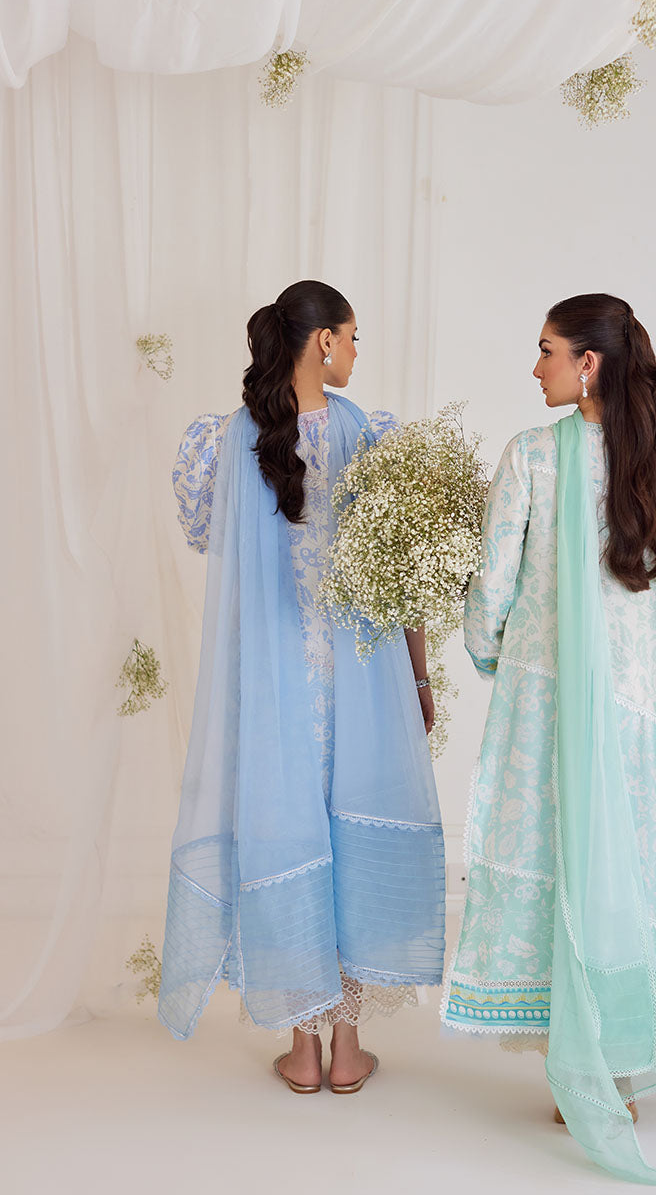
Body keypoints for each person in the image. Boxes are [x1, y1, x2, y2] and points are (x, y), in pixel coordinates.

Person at [442, 293, 656, 1184]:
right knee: (632, 872)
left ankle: (579, 1062)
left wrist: (489, 652)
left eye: (547, 350)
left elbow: (492, 588)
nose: (535, 367)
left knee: (563, 864)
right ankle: (619, 1067)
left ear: (588, 364)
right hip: (646, 714)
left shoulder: (532, 456)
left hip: (552, 706)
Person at [159, 279, 445, 1095]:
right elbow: (405, 578)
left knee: (288, 833)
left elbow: (206, 535)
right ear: (323, 341)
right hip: (361, 688)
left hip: (276, 692)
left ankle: (303, 1047)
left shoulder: (223, 441)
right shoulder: (372, 439)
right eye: (352, 336)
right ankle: (348, 1046)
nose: (355, 352)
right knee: (347, 831)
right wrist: (418, 675)